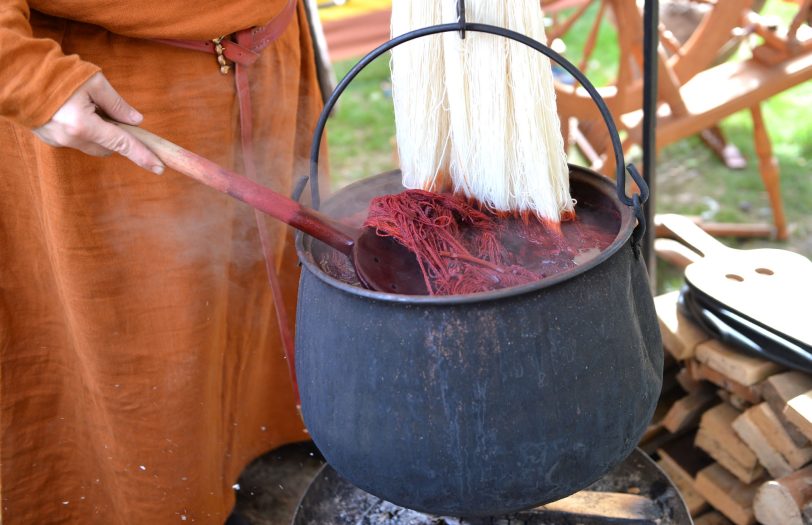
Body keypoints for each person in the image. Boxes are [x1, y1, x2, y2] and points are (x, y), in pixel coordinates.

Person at [0, 1, 325, 523]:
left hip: (272, 58)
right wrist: (22, 73)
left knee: (267, 320)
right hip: (111, 97)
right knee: (152, 356)